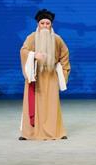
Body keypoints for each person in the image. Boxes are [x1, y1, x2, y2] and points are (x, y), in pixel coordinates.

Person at [19, 8, 70, 140]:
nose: (45, 26)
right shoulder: (31, 38)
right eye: (42, 23)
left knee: (52, 105)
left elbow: (65, 56)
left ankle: (56, 132)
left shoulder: (57, 39)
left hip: (51, 76)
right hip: (35, 76)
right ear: (38, 24)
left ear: (51, 25)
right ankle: (29, 133)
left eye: (48, 23)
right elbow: (23, 51)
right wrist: (34, 55)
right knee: (33, 105)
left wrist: (62, 75)